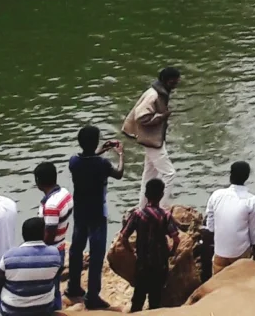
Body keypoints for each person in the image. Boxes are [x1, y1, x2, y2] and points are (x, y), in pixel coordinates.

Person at [63, 127, 122, 309]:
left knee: (76, 249)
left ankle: (73, 286)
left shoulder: (74, 161)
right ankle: (93, 296)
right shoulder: (102, 164)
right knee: (96, 255)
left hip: (80, 211)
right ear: (96, 142)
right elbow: (119, 174)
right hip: (97, 213)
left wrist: (99, 151)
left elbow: (88, 160)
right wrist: (120, 154)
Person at [0, 215, 63, 315]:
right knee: (55, 291)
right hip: (44, 309)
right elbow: (55, 276)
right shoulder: (54, 253)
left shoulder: (10, 256)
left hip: (12, 311)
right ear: (44, 234)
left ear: (23, 234)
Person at [116, 179, 176, 311]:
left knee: (138, 297)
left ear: (146, 195)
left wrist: (131, 251)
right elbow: (176, 237)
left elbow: (124, 236)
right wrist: (171, 251)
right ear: (161, 195)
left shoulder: (137, 214)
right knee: (156, 299)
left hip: (142, 263)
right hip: (160, 264)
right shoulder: (165, 215)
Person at [120, 68, 178, 194]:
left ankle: (143, 207)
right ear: (165, 81)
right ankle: (160, 208)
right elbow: (141, 117)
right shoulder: (154, 95)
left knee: (149, 176)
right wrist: (161, 117)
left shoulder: (159, 92)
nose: (175, 85)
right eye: (173, 82)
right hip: (152, 140)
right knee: (169, 175)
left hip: (153, 139)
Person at [203, 163, 255, 273]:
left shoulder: (216, 195)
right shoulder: (251, 200)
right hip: (240, 253)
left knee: (218, 279)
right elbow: (254, 230)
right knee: (240, 278)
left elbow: (210, 222)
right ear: (247, 177)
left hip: (219, 251)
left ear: (230, 175)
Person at [31, 164, 70, 255]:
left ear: (38, 181)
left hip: (53, 252)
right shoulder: (64, 193)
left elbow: (49, 237)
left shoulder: (51, 206)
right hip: (61, 244)